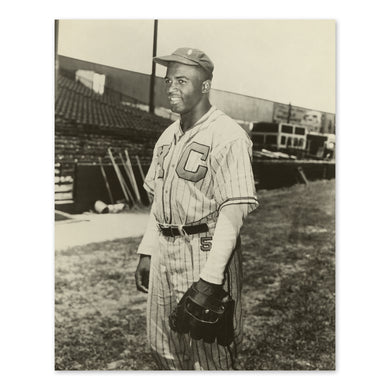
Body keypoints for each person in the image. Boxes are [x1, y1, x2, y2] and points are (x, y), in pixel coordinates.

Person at [135, 47, 259, 370]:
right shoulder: (166, 137)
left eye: (181, 80)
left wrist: (212, 278)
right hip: (165, 248)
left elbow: (233, 215)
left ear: (205, 86)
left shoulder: (229, 136)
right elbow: (159, 199)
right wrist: (148, 250)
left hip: (203, 249)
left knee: (209, 357)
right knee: (163, 348)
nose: (171, 88)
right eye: (167, 81)